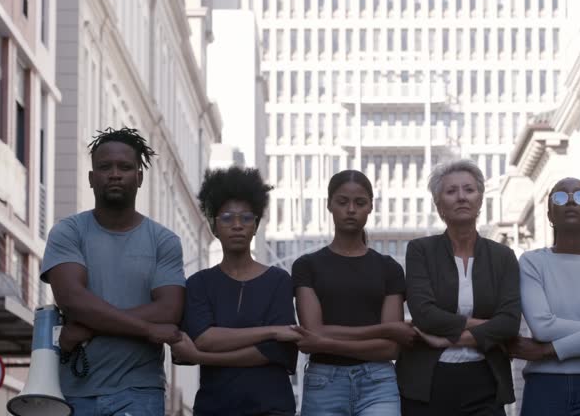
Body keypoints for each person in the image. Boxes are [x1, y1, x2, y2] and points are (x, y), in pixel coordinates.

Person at [41, 127, 185, 415]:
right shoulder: (68, 232)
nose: (115, 174)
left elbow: (169, 311)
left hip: (139, 391)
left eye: (125, 167)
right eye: (105, 167)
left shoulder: (163, 241)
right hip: (72, 391)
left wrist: (88, 327)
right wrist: (147, 328)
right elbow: (72, 300)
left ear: (140, 177)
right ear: (92, 178)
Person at [169, 166, 301, 415]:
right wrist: (271, 330)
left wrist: (203, 355)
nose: (238, 225)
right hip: (215, 407)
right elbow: (205, 339)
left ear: (256, 225)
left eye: (247, 218)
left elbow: (276, 351)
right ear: (214, 227)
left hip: (271, 408)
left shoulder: (279, 280)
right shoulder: (198, 283)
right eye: (228, 218)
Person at [396, 159, 521, 416]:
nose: (461, 197)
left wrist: (444, 339)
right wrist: (483, 324)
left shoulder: (503, 256)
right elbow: (424, 315)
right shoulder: (420, 250)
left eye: (469, 189)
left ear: (480, 200)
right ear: (439, 205)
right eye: (451, 191)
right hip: (427, 382)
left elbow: (509, 323)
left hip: (484, 379)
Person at [292, 169, 416, 416]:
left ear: (371, 206)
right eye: (342, 202)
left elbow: (390, 349)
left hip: (378, 382)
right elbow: (312, 332)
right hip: (323, 381)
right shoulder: (307, 265)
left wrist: (325, 342)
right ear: (329, 205)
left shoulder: (389, 268)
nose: (351, 209)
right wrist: (385, 330)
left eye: (359, 202)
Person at [506, 177, 580, 416]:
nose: (571, 201)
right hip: (543, 387)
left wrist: (545, 351)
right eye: (560, 197)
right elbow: (542, 327)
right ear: (550, 214)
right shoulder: (532, 262)